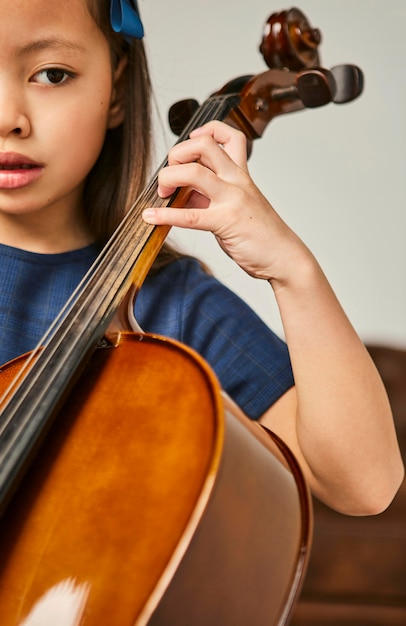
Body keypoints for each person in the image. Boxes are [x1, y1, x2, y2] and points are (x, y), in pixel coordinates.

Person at [0, 0, 403, 518]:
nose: (8, 118)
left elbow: (364, 484)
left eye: (53, 74)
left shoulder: (170, 309)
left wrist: (291, 269)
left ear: (117, 89)